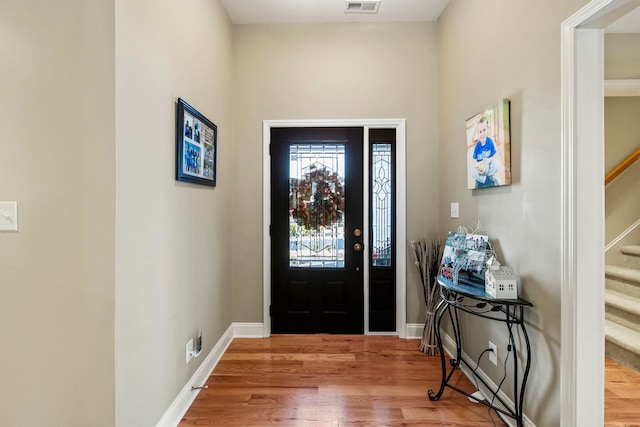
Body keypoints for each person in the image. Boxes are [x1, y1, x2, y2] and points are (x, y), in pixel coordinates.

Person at [470, 116, 499, 188]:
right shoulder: (477, 146)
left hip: (488, 165)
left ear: (487, 129)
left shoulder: (490, 142)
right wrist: (478, 165)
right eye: (480, 132)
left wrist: (489, 160)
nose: (482, 133)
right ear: (477, 133)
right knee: (473, 171)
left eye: (484, 130)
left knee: (496, 164)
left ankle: (489, 176)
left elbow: (494, 156)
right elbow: (474, 161)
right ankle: (484, 179)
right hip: (480, 167)